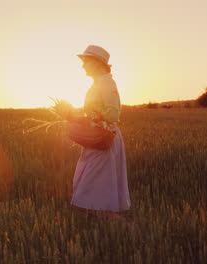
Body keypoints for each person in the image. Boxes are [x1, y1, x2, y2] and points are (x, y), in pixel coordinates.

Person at [70, 45, 130, 219]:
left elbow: (113, 114)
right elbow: (96, 111)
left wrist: (85, 119)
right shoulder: (99, 82)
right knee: (91, 191)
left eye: (86, 62)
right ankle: (101, 228)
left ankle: (127, 230)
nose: (83, 66)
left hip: (104, 138)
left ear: (97, 63)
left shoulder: (107, 83)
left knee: (97, 193)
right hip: (96, 137)